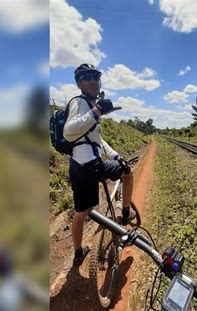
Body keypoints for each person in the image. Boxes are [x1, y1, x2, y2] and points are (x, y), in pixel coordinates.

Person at [64, 64, 136, 267]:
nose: (93, 81)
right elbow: (68, 132)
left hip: (78, 166)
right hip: (90, 165)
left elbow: (97, 139)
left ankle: (78, 252)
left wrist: (115, 155)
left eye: (96, 77)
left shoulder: (87, 105)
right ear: (79, 84)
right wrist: (96, 111)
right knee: (128, 174)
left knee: (81, 212)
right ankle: (126, 212)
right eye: (87, 77)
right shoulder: (80, 102)